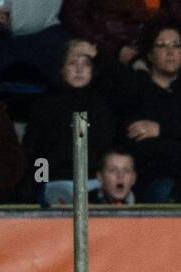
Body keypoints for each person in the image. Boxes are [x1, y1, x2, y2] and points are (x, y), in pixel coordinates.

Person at [118, 20, 181, 203]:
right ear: (149, 54)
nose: (170, 52)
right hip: (153, 176)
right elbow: (140, 146)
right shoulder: (134, 88)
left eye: (177, 45)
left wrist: (161, 130)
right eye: (162, 46)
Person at [22, 38, 115, 205]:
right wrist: (40, 183)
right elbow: (35, 152)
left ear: (93, 70)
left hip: (97, 182)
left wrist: (98, 56)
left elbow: (127, 86)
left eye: (86, 63)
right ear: (62, 69)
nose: (79, 69)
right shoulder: (46, 104)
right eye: (72, 63)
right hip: (57, 182)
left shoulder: (103, 100)